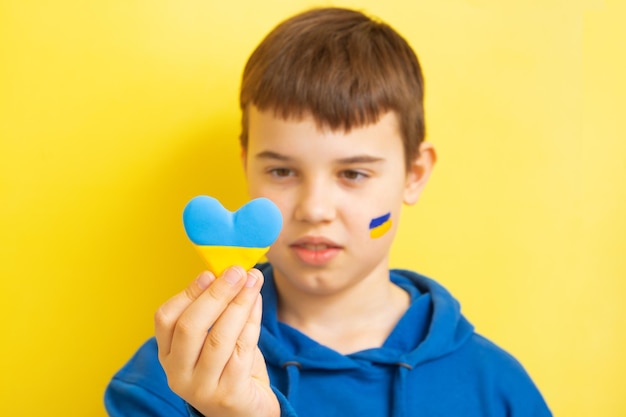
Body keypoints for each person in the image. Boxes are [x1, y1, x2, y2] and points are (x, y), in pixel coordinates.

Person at [105, 7, 552, 417]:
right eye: (282, 170)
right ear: (247, 166)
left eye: (353, 174)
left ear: (414, 173)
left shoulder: (496, 389)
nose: (314, 209)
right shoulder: (174, 375)